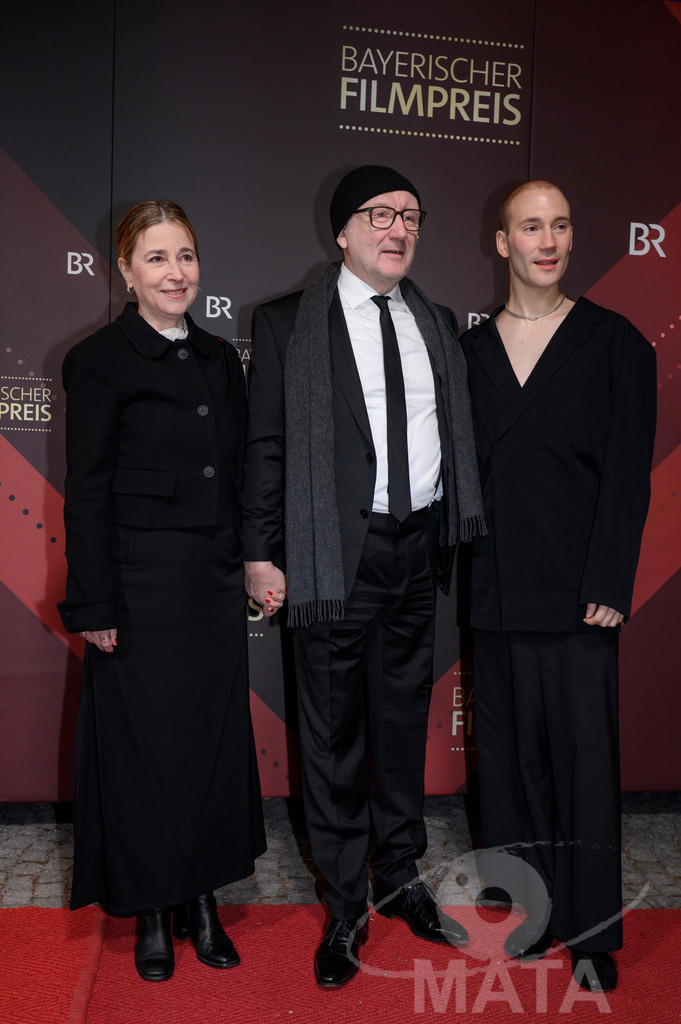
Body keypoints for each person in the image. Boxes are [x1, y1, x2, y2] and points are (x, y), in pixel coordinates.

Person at [241, 165, 485, 988]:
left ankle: (402, 876)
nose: (397, 228)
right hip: (327, 555)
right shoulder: (285, 325)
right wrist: (260, 550)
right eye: (379, 214)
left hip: (415, 550)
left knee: (399, 722)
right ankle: (345, 903)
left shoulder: (437, 322)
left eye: (410, 215)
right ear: (342, 232)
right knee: (333, 735)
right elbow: (267, 447)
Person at [58, 200, 266, 982]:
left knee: (209, 745)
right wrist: (95, 604)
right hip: (138, 587)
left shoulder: (219, 357)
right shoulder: (99, 359)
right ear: (125, 271)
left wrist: (253, 559)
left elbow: (244, 472)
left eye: (185, 255)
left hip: (210, 583)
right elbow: (88, 494)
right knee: (146, 753)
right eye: (156, 258)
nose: (175, 271)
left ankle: (202, 901)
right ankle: (150, 909)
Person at [460, 181, 656, 993]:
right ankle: (532, 913)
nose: (548, 239)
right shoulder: (466, 353)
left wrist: (610, 577)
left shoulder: (617, 344)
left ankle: (591, 934)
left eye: (560, 225)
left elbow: (627, 476)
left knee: (581, 762)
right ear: (500, 242)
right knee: (507, 765)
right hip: (494, 589)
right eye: (529, 226)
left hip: (582, 593)